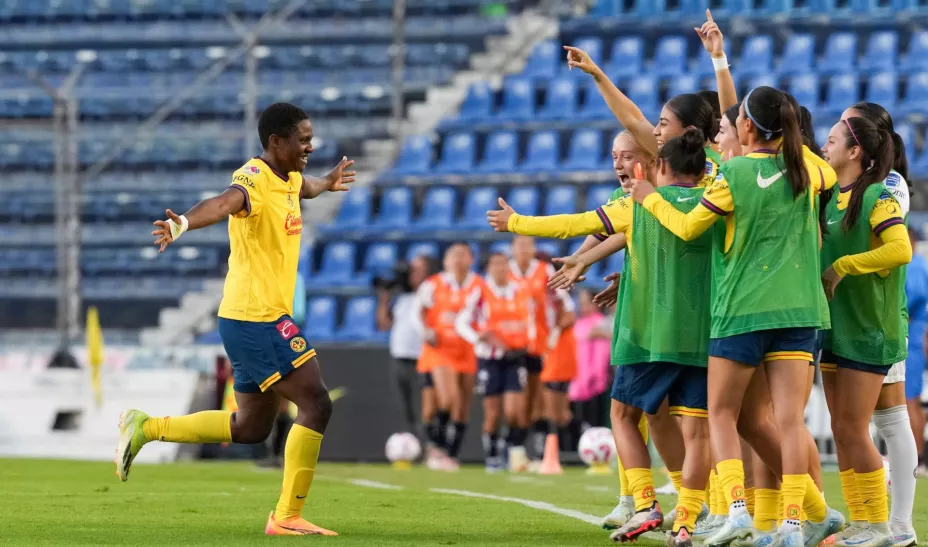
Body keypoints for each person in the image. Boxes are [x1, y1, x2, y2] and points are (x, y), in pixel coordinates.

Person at [117, 102, 355, 536]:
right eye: (302, 139)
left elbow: (304, 188)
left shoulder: (290, 178)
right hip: (256, 317)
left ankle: (145, 427)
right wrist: (184, 223)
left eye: (310, 138)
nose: (310, 145)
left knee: (250, 427)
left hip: (248, 318)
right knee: (316, 402)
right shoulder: (254, 178)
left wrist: (328, 183)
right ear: (275, 142)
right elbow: (225, 202)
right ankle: (286, 517)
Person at [627, 86, 844, 547]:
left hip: (741, 310)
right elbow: (822, 171)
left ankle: (738, 510)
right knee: (787, 421)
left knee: (722, 413)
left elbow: (687, 228)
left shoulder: (733, 175)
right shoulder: (808, 167)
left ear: (746, 127)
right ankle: (794, 520)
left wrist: (648, 196)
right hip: (799, 310)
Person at [490, 129, 716, 546]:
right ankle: (688, 518)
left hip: (648, 336)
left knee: (622, 416)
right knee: (698, 431)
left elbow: (575, 224)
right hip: (704, 337)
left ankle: (645, 502)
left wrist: (516, 222)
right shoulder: (715, 202)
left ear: (657, 165)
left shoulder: (636, 204)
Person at [819, 116, 912, 547]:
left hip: (871, 328)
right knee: (841, 428)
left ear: (855, 152)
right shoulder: (827, 199)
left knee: (855, 428)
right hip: (838, 327)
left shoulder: (878, 195)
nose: (824, 145)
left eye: (833, 139)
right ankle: (862, 521)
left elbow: (901, 249)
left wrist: (843, 266)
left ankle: (880, 526)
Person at [455, 252, 533, 472]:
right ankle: (493, 457)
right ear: (488, 268)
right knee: (493, 413)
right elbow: (462, 321)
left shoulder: (519, 290)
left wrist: (528, 341)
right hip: (490, 360)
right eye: (495, 264)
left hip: (515, 357)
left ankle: (513, 451)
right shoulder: (481, 291)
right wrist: (477, 337)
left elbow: (529, 317)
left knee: (515, 411)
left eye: (503, 264)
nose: (500, 268)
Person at [417, 243, 480, 471]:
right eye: (453, 255)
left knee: (462, 406)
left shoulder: (478, 285)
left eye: (463, 254)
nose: (458, 259)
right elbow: (419, 312)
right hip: (439, 350)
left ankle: (452, 453)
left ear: (471, 260)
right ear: (445, 261)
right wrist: (425, 331)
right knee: (446, 399)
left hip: (467, 350)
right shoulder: (432, 284)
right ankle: (436, 446)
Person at [376, 254, 436, 440]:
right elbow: (384, 324)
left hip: (423, 358)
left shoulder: (432, 294)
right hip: (399, 356)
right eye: (412, 269)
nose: (412, 273)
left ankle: (431, 444)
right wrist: (384, 298)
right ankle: (413, 442)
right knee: (405, 406)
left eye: (417, 269)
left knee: (425, 407)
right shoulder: (401, 297)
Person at [569, 289, 612, 429]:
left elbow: (602, 354)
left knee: (596, 421)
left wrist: (596, 375)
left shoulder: (599, 322)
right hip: (577, 380)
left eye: (586, 303)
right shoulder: (577, 323)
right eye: (581, 303)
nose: (583, 307)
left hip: (595, 382)